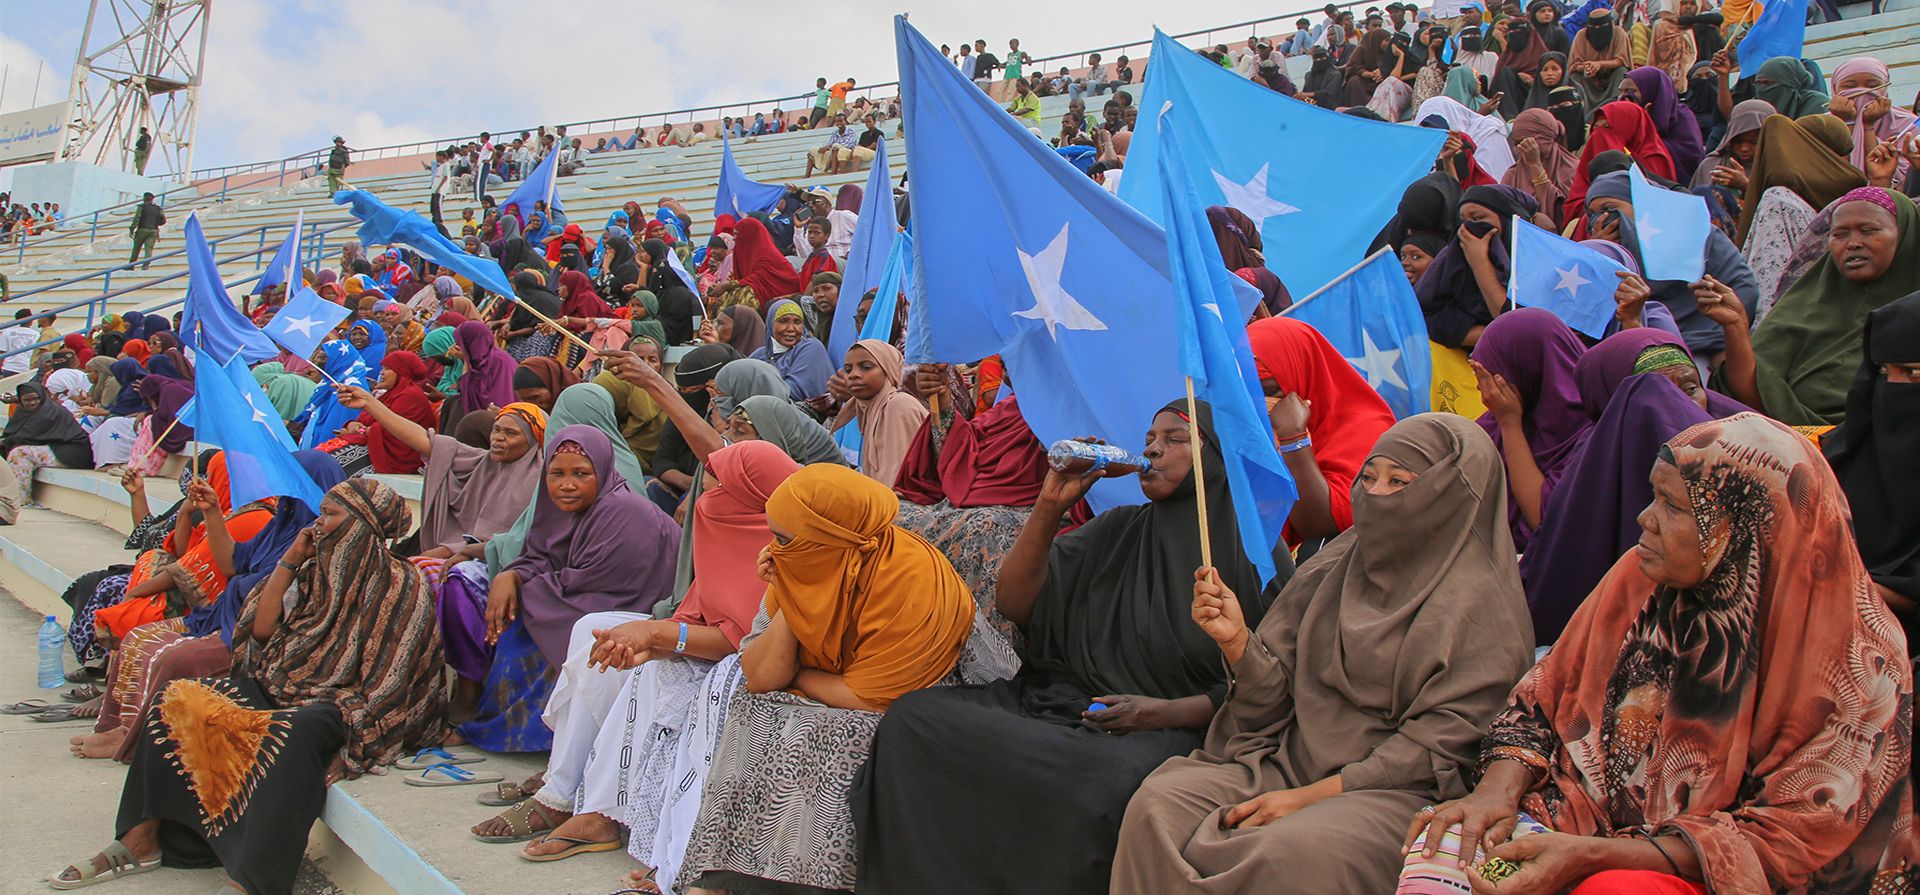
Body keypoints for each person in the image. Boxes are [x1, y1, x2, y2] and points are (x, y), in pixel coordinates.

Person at [1400, 414, 1913, 895]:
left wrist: (1594, 857)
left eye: (1674, 507)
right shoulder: (1640, 581)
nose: (1645, 519)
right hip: (1586, 823)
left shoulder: (1856, 658)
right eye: (1654, 497)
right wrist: (1496, 792)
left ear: (1743, 532)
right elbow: (1540, 703)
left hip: (1724, 871)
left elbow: (1794, 842)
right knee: (1444, 848)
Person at [855, 400, 1291, 894]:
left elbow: (1266, 682)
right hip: (1073, 702)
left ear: (1215, 457)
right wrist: (1049, 506)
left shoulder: (1256, 552)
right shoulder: (1120, 527)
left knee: (1092, 788)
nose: (1152, 448)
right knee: (916, 721)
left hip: (1177, 725)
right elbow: (1016, 603)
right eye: (1150, 437)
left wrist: (1161, 713)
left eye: (1174, 439)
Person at [1110, 414, 1533, 894]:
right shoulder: (1336, 564)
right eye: (1368, 477)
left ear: (1451, 495)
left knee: (1288, 854)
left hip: (1389, 792)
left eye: (1400, 482)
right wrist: (1238, 644)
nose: (1375, 495)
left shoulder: (1482, 605)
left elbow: (1433, 750)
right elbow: (1273, 699)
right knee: (1159, 804)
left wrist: (1306, 798)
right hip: (1287, 759)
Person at [54, 480, 446, 894]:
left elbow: (392, 681)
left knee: (293, 732)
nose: (318, 524)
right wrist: (289, 561)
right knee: (179, 697)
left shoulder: (402, 584)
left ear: (364, 525)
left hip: (344, 704)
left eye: (330, 515)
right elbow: (261, 631)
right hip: (284, 680)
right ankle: (141, 840)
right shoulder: (311, 570)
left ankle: (252, 881)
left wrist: (358, 744)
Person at [474, 441, 800, 866]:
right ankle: (570, 788)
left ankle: (595, 806)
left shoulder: (780, 543)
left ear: (754, 493)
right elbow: (705, 613)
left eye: (720, 485)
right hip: (714, 648)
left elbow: (746, 639)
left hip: (759, 665)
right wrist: (653, 638)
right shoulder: (732, 527)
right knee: (601, 638)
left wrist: (659, 636)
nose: (704, 494)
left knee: (653, 674)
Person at [680, 463, 988, 894]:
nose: (772, 550)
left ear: (833, 538)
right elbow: (760, 676)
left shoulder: (910, 579)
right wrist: (793, 592)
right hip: (838, 687)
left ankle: (819, 883)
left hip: (924, 702)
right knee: (753, 710)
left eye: (785, 539)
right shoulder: (809, 561)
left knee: (844, 732)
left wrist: (801, 676)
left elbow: (871, 698)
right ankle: (726, 876)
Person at [1519, 333, 1748, 643]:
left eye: (1691, 389)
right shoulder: (1589, 476)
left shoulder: (1748, 449)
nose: (1676, 406)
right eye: (1655, 398)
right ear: (1615, 404)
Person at [1720, 187, 1917, 424]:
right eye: (1840, 234)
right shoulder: (1799, 306)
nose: (1853, 243)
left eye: (1868, 231)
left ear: (1906, 235)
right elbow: (1750, 392)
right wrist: (1735, 326)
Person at [1822, 290, 1919, 652]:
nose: (1893, 387)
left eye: (1912, 373)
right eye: (1881, 372)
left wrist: (1849, 586)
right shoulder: (1842, 456)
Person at [1246, 317, 1397, 547]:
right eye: (1248, 393)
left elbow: (1321, 525)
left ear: (1304, 373)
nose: (1260, 404)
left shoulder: (1367, 428)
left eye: (1269, 391)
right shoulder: (1248, 428)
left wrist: (1293, 439)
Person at [1583, 171, 1760, 358]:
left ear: (1641, 205)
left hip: (1711, 347)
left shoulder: (1700, 235)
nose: (1602, 218)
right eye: (1593, 214)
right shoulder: (1603, 253)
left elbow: (1743, 287)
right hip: (1636, 349)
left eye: (1609, 208)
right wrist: (1601, 253)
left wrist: (1722, 330)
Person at [1416, 185, 1539, 349]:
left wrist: (1480, 263)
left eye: (1478, 219)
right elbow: (1423, 316)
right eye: (1463, 221)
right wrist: (1484, 335)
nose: (1467, 229)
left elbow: (1514, 326)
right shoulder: (1450, 259)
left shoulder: (1537, 265)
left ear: (1507, 222)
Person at [829, 339, 928, 487]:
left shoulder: (899, 406)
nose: (853, 375)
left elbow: (899, 481)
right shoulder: (869, 408)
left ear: (889, 370)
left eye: (866, 367)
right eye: (848, 370)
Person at [4, 381, 93, 497]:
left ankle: (19, 499)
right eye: (27, 400)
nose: (32, 403)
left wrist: (5, 442)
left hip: (70, 452)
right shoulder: (22, 411)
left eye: (35, 399)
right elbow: (13, 434)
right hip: (52, 446)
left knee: (19, 454)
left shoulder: (50, 411)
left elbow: (28, 436)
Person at [1624, 66, 1706, 182]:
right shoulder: (1624, 117)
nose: (1623, 97)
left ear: (1650, 90)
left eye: (1631, 91)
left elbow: (1691, 155)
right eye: (1620, 91)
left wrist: (1647, 127)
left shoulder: (1681, 116)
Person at [1501, 108, 1580, 226]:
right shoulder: (1512, 175)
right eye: (1516, 144)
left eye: (1525, 142)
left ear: (1546, 138)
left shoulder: (1573, 170)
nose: (1520, 149)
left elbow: (1569, 215)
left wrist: (1536, 167)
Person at [749, 299, 834, 403]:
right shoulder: (760, 355)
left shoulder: (811, 348)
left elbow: (793, 392)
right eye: (783, 321)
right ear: (770, 324)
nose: (791, 328)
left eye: (797, 322)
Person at [292, 341, 370, 451]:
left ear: (338, 360)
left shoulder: (350, 389)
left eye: (324, 358)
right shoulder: (328, 384)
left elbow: (335, 428)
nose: (318, 363)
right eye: (318, 357)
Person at [1688, 98, 1771, 189]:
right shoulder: (1711, 165)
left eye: (1753, 142)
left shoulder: (1776, 170)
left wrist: (1745, 186)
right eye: (1738, 141)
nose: (1744, 148)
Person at [451, 319, 517, 415]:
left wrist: (466, 360)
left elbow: (478, 396)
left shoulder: (498, 361)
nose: (458, 346)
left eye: (461, 343)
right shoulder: (482, 360)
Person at [127, 194, 165, 270]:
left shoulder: (141, 207)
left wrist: (132, 229)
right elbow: (163, 220)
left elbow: (137, 219)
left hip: (142, 229)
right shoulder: (158, 208)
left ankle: (131, 265)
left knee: (136, 248)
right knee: (149, 249)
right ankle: (145, 265)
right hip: (153, 231)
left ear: (144, 199)